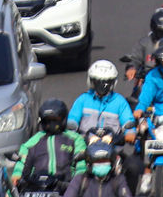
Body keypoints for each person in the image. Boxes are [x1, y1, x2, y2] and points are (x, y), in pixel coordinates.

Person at [68, 61, 142, 190]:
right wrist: (74, 134)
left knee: (134, 166)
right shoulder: (83, 100)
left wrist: (129, 134)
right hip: (85, 149)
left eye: (107, 81)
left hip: (112, 150)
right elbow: (72, 121)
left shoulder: (120, 102)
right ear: (92, 81)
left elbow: (128, 123)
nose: (102, 85)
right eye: (98, 81)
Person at [12, 99, 86, 191]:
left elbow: (81, 165)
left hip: (65, 188)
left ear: (63, 119)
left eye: (55, 120)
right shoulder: (34, 141)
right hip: (36, 187)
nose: (51, 124)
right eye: (47, 120)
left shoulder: (75, 139)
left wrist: (77, 183)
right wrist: (17, 175)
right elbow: (22, 161)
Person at [63, 142, 134, 197]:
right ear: (89, 164)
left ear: (111, 163)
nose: (101, 164)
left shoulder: (118, 180)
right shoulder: (80, 180)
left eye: (105, 161)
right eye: (98, 162)